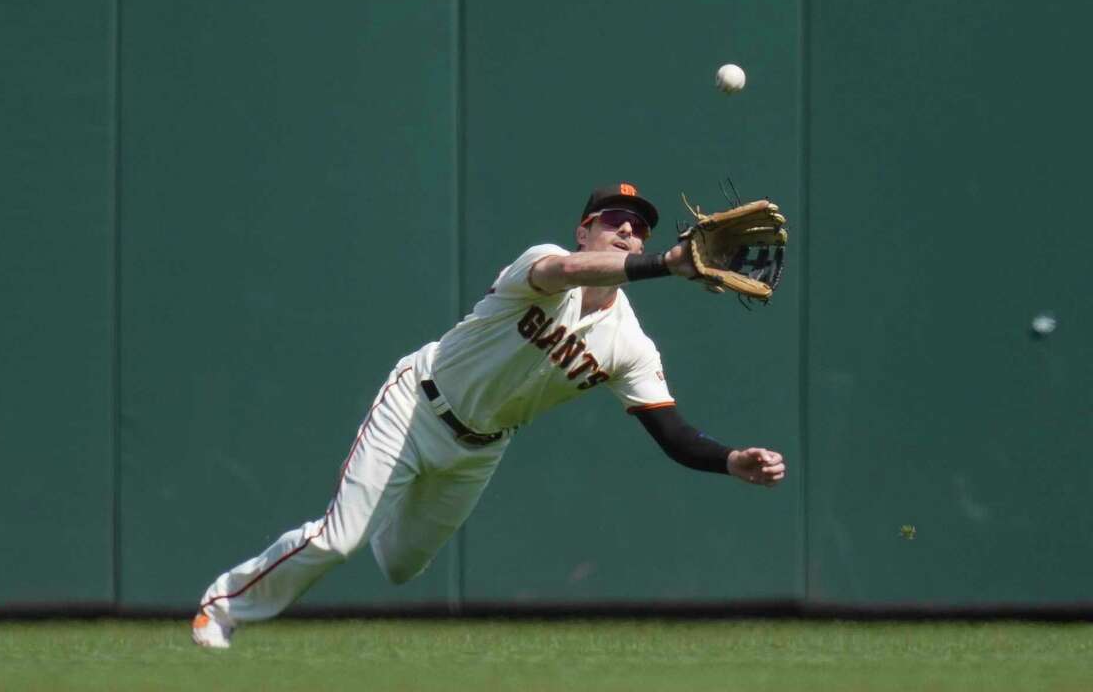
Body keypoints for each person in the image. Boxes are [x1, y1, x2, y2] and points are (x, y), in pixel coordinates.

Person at [192, 183, 787, 648]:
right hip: (417, 404)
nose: (627, 229)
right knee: (339, 539)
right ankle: (222, 608)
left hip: (479, 449)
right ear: (584, 231)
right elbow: (566, 274)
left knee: (400, 566)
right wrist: (666, 263)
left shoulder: (629, 345)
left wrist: (731, 460)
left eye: (638, 227)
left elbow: (673, 433)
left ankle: (383, 498)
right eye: (613, 219)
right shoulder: (546, 261)